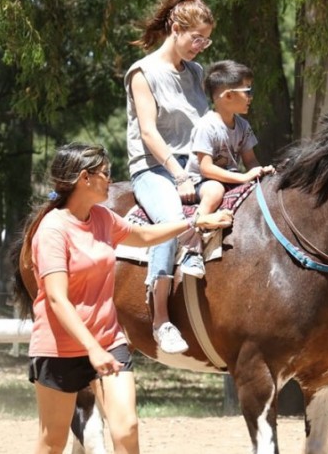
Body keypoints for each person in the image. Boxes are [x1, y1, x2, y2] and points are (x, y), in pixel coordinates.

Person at [20, 142, 231, 454]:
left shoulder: (102, 218)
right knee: (53, 442)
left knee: (127, 428)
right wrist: (91, 349)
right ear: (84, 178)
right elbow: (56, 300)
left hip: (108, 340)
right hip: (60, 347)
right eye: (105, 173)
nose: (111, 179)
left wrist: (194, 223)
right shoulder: (52, 230)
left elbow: (144, 236)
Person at [125, 0, 215, 353]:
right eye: (196, 38)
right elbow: (149, 133)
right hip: (155, 168)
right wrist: (179, 175)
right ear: (175, 29)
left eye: (206, 41)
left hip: (194, 164)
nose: (200, 47)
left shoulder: (196, 73)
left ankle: (196, 256)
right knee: (171, 221)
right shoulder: (142, 73)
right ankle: (161, 318)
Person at [177, 59, 273, 278]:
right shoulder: (206, 126)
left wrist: (261, 172)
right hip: (202, 182)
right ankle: (192, 244)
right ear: (228, 95)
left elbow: (250, 160)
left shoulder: (243, 126)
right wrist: (243, 178)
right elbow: (206, 168)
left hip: (231, 178)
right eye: (248, 91)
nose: (251, 97)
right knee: (215, 190)